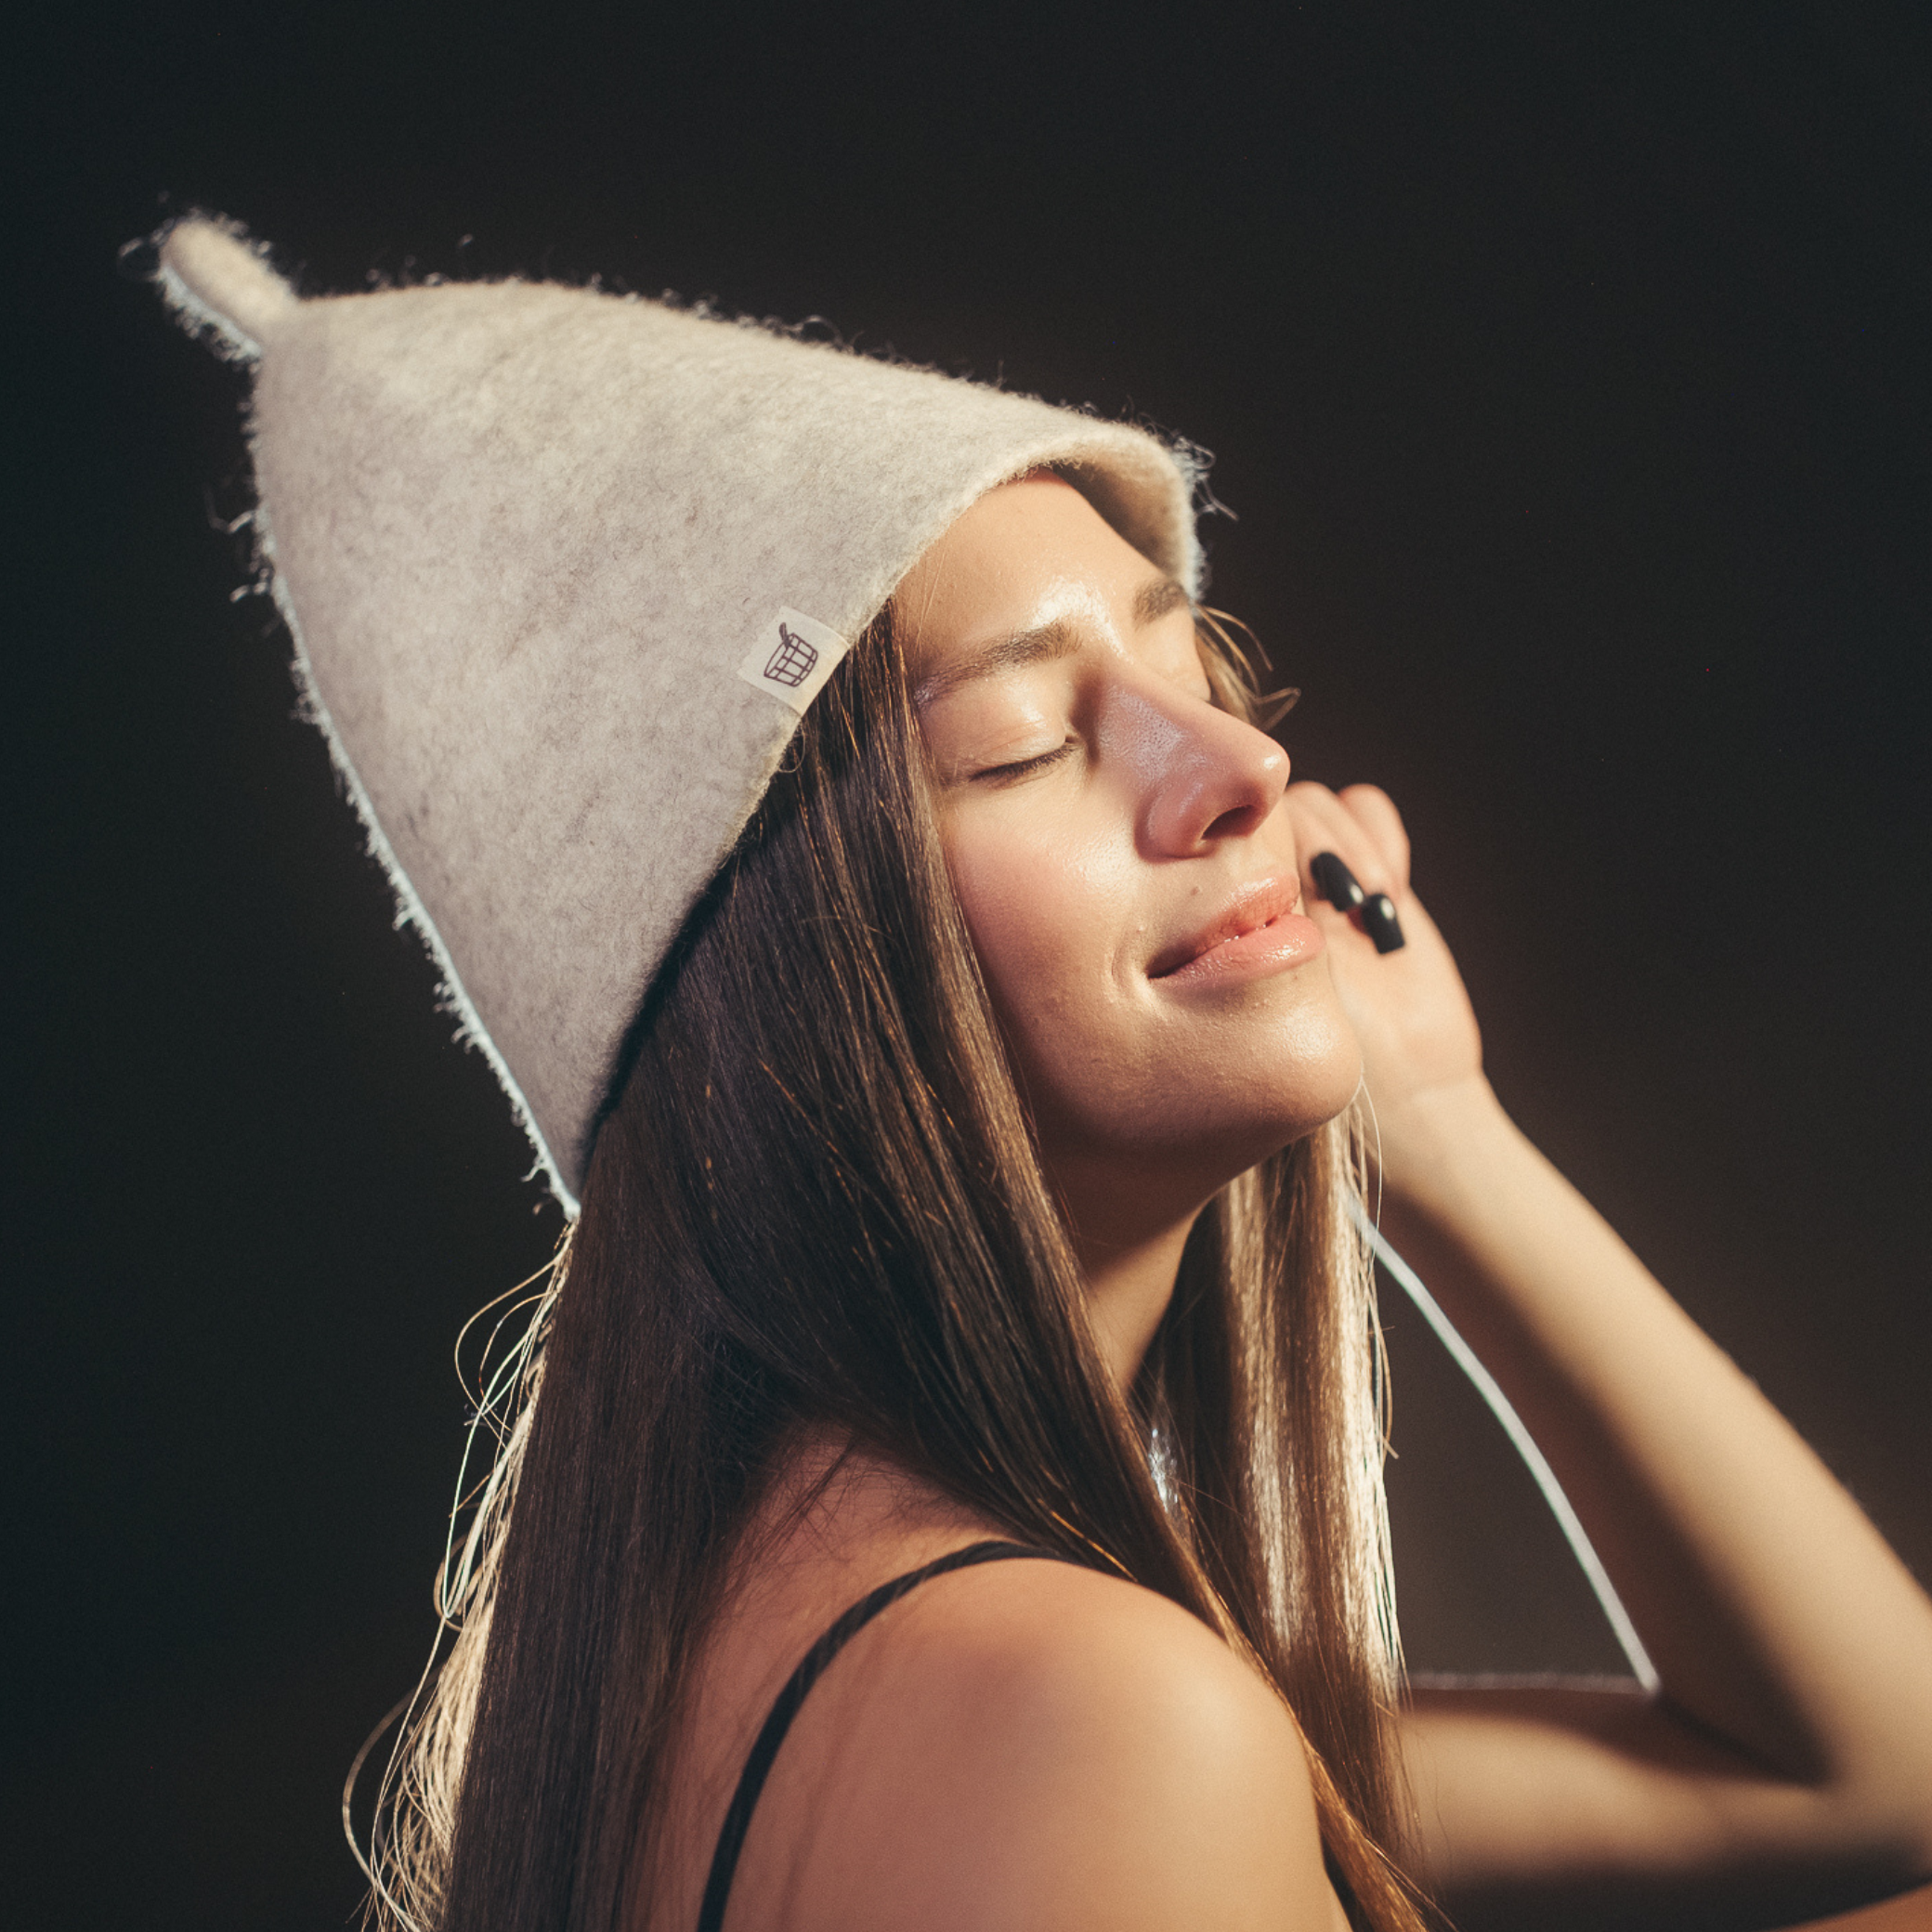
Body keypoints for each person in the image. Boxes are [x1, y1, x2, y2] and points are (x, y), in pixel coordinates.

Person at [148, 219, 1932, 1932]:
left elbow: (1858, 1778)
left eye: (1194, 659)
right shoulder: (1081, 1716)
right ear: (782, 1008)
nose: (1240, 763)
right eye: (1017, 744)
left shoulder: (791, 1664)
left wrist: (1442, 1132)